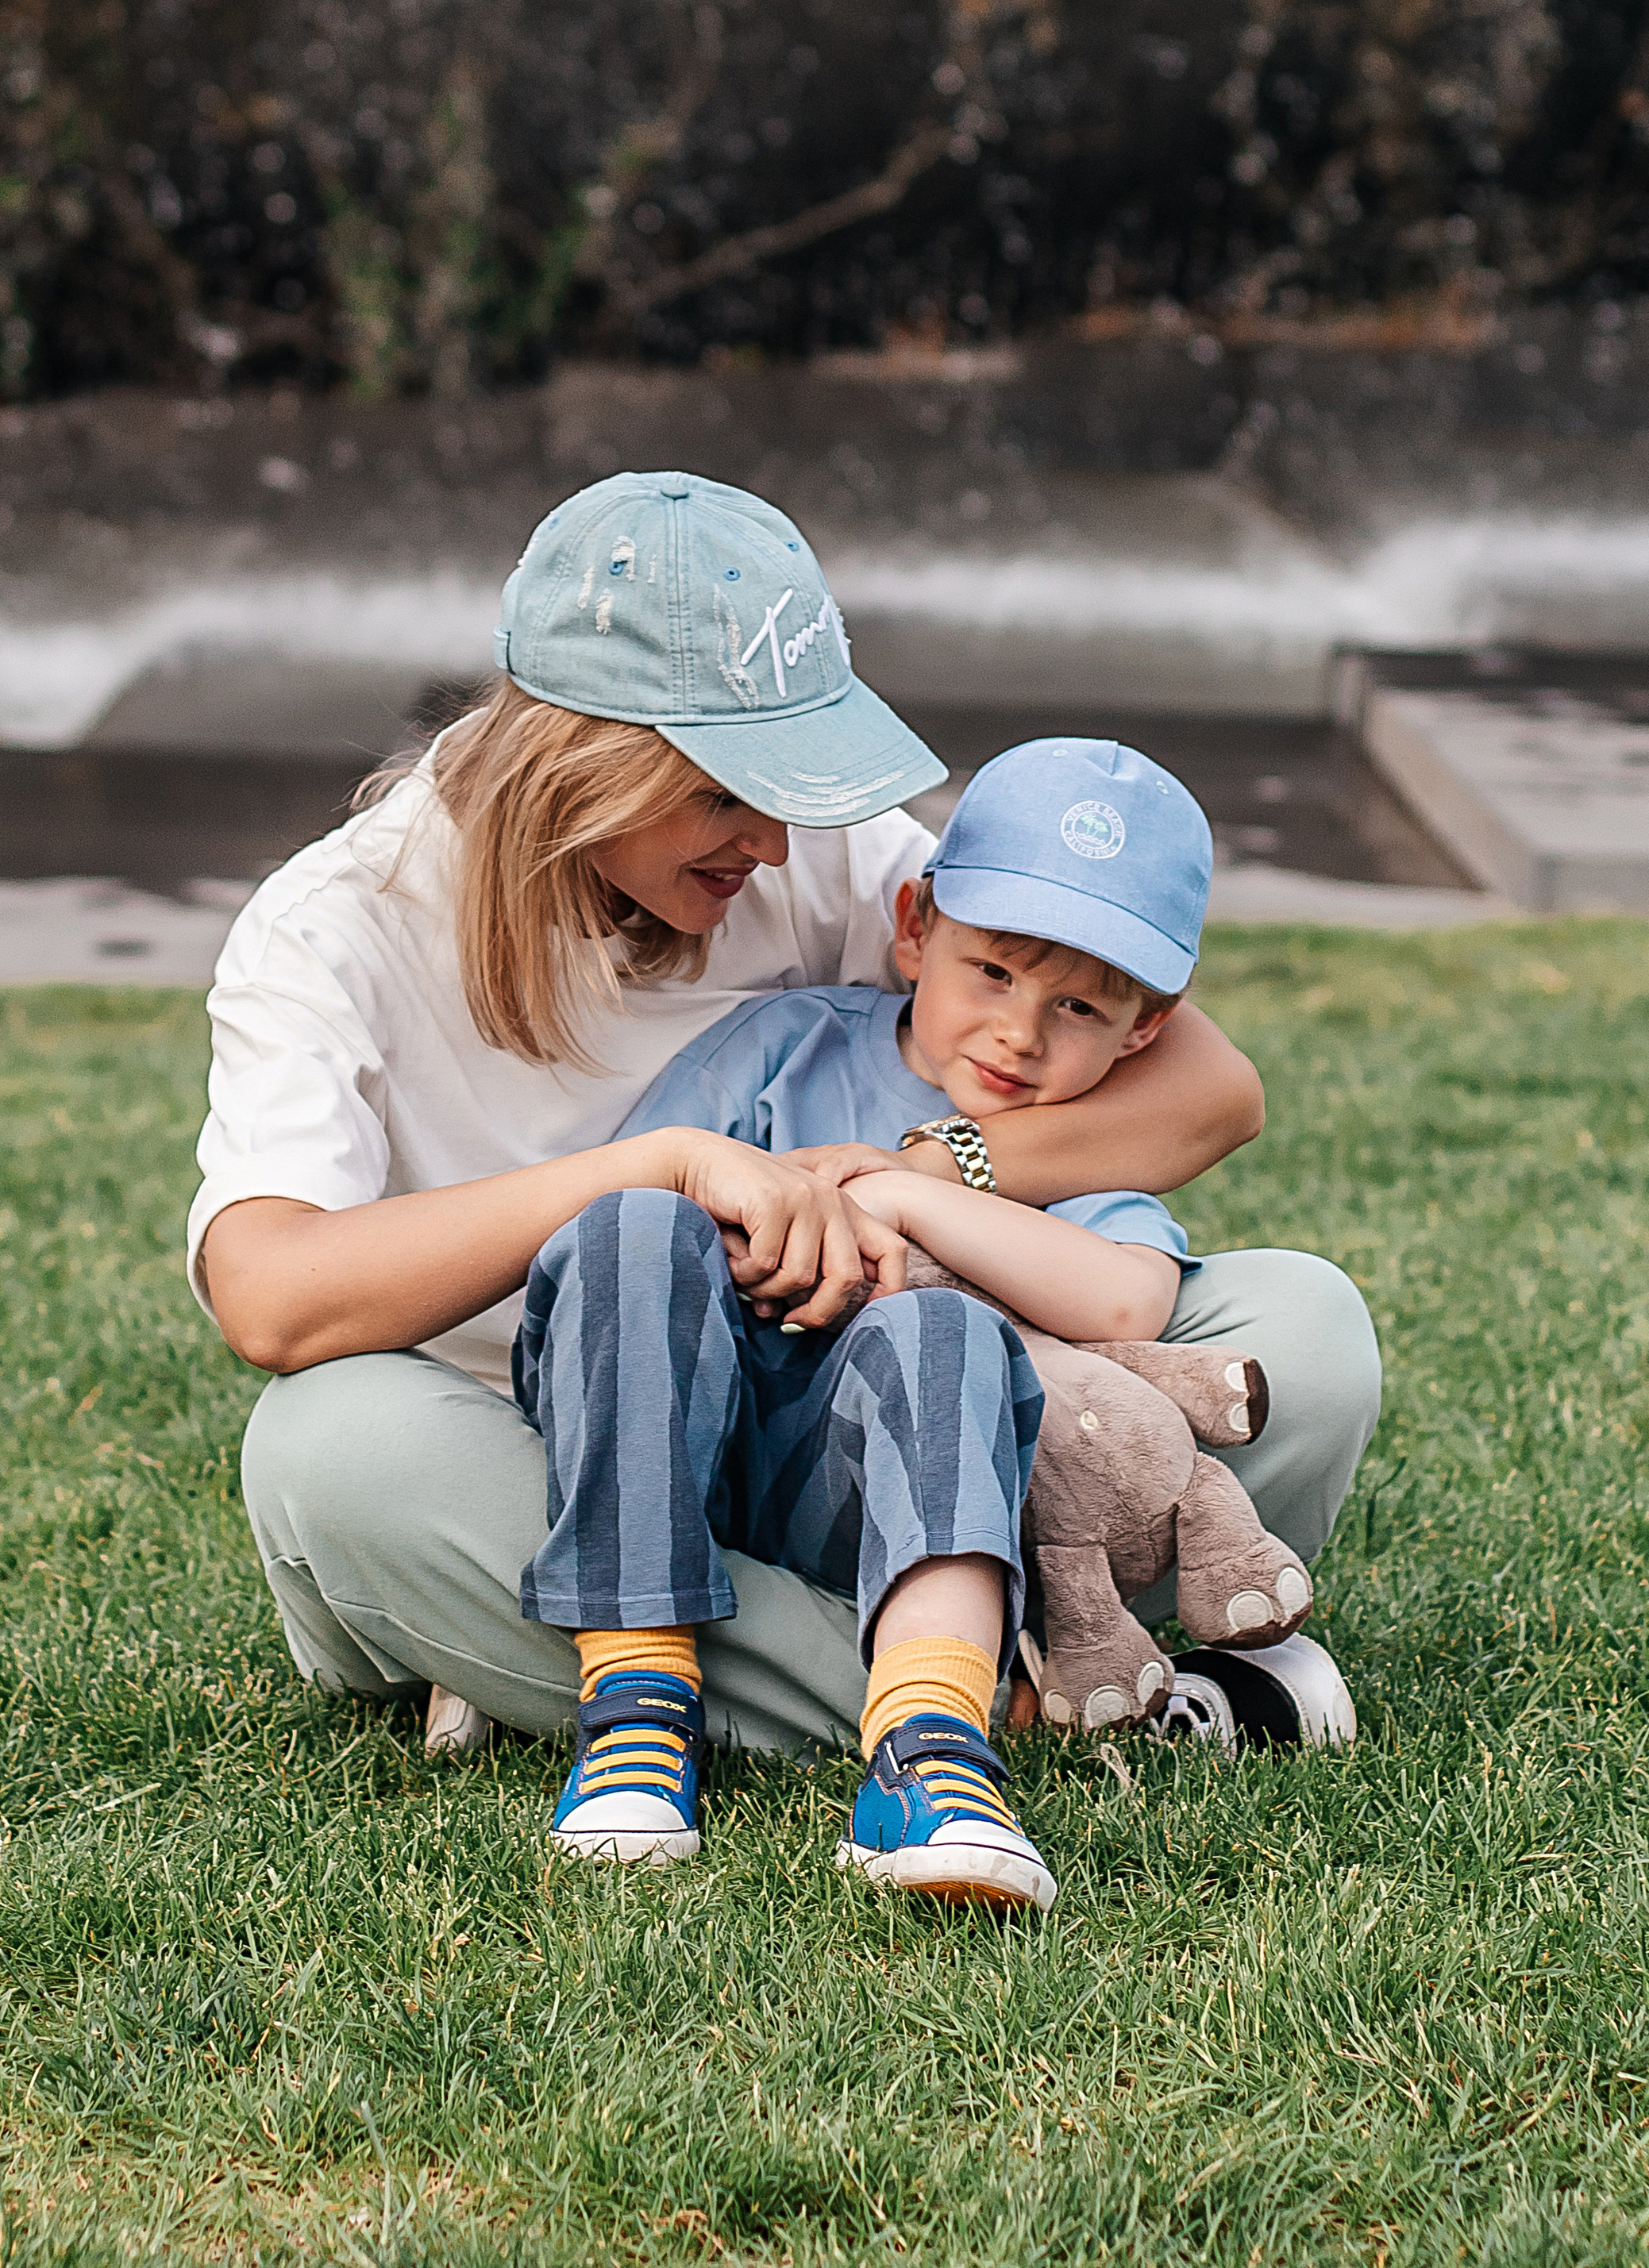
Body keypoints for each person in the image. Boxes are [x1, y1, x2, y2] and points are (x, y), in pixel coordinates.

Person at [191, 472, 1378, 1850]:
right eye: (722, 794)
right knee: (329, 1452)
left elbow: (1210, 1087)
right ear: (579, 765)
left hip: (855, 1424)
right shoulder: (331, 929)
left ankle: (578, 1673)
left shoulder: (808, 846)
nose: (772, 839)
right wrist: (660, 1168)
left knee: (1306, 1330)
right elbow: (270, 1296)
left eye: (786, 779)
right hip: (532, 1455)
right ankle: (989, 1688)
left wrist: (933, 1164)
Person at [604, 737, 1328, 1885]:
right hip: (720, 1451)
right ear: (914, 928)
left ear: (1145, 1029)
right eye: (991, 973)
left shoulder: (1069, 1149)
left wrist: (906, 1192)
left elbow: (1128, 1295)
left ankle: (938, 1723)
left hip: (918, 1509)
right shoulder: (789, 1048)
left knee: (942, 1338)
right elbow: (632, 1226)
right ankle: (651, 1694)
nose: (1020, 1034)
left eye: (1078, 1006)